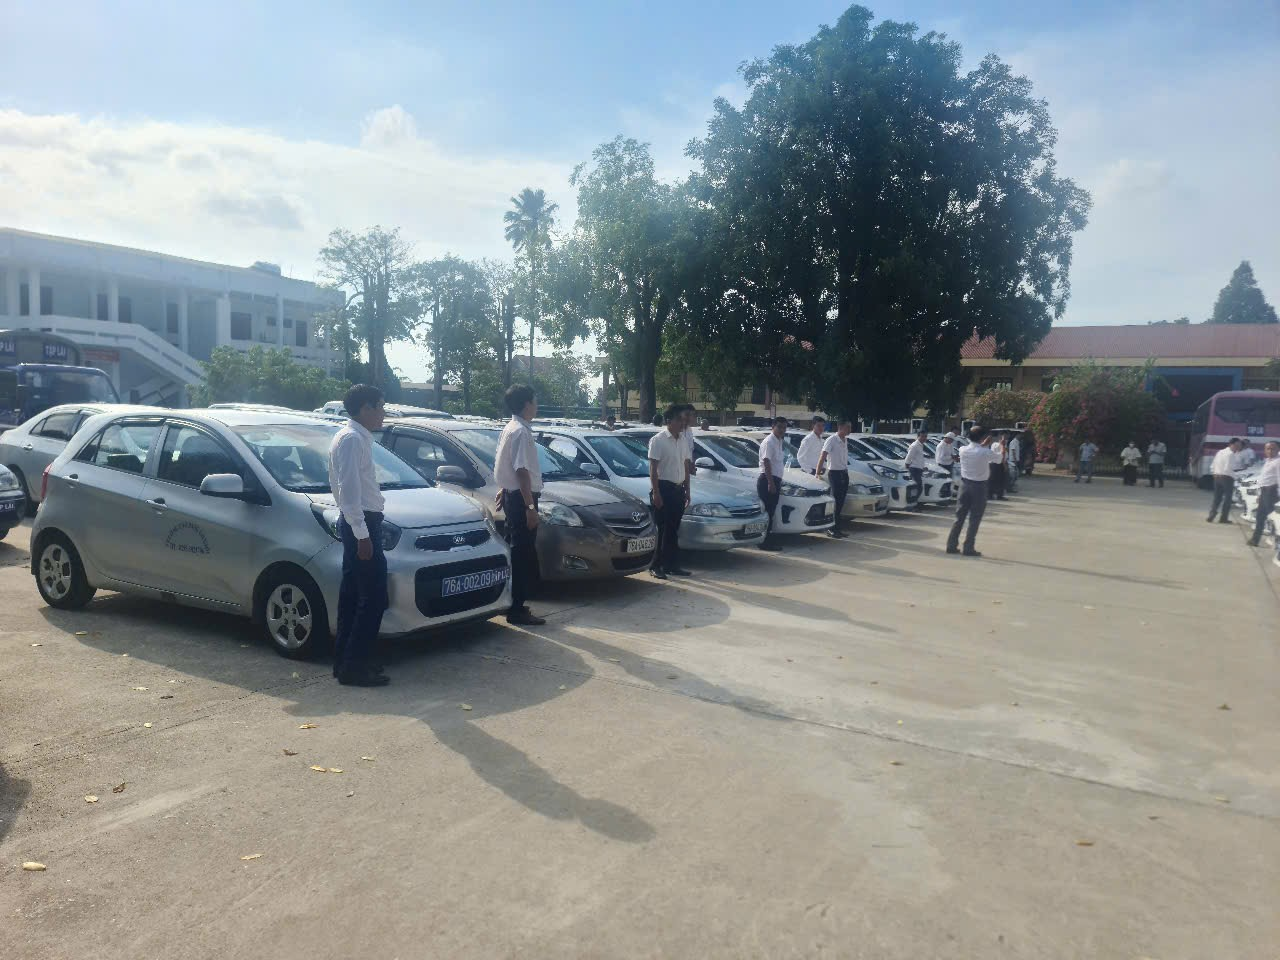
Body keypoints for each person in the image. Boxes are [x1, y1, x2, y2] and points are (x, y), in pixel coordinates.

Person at [329, 384, 391, 687]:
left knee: (353, 595)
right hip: (361, 523)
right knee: (373, 597)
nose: (383, 413)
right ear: (366, 408)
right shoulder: (352, 439)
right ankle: (354, 666)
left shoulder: (354, 437)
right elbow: (350, 492)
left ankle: (347, 661)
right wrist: (362, 534)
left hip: (361, 522)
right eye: (380, 406)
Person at [494, 385, 547, 626]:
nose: (536, 406)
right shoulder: (521, 432)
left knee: (516, 551)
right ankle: (517, 608)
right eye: (535, 401)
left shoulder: (511, 427)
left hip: (513, 495)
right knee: (522, 554)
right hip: (521, 499)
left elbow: (507, 465)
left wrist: (505, 488)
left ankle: (512, 603)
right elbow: (522, 471)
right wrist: (530, 508)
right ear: (526, 404)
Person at [647, 405, 691, 579]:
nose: (682, 423)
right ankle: (655, 565)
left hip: (678, 490)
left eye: (683, 419)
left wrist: (687, 490)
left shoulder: (683, 440)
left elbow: (685, 466)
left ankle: (671, 565)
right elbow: (653, 469)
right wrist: (656, 493)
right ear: (668, 421)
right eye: (679, 419)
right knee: (662, 529)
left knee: (674, 530)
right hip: (664, 488)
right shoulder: (658, 440)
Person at [946, 426, 1001, 557]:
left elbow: (976, 449)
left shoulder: (963, 450)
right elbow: (998, 459)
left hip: (964, 485)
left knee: (959, 517)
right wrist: (1002, 445)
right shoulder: (985, 452)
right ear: (982, 437)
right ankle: (968, 547)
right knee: (975, 518)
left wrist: (982, 444)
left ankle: (951, 545)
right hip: (979, 486)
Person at [815, 419, 853, 538]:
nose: (849, 430)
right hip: (835, 474)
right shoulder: (832, 440)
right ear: (840, 427)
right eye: (847, 427)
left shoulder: (845, 440)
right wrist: (817, 472)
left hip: (844, 473)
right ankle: (830, 528)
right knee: (835, 502)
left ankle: (837, 528)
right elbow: (823, 456)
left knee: (841, 502)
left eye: (850, 427)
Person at [757, 416, 788, 552]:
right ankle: (764, 542)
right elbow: (766, 462)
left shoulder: (779, 441)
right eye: (779, 427)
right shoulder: (769, 441)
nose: (782, 430)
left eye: (784, 427)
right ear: (773, 427)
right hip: (767, 480)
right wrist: (771, 483)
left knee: (771, 512)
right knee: (768, 513)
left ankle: (768, 540)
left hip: (775, 480)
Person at [1249, 441, 1280, 546]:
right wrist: (1259, 494)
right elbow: (1262, 479)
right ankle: (1255, 540)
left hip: (1272, 492)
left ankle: (1275, 541)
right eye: (1268, 449)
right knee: (1260, 517)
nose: (1270, 451)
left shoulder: (1278, 462)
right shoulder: (1267, 461)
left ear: (1278, 450)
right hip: (1264, 492)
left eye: (1273, 449)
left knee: (1273, 517)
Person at [1207, 438, 1245, 523]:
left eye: (1239, 445)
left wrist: (1214, 472)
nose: (1238, 447)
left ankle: (1212, 515)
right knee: (1228, 499)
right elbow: (1228, 468)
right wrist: (1236, 475)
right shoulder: (1231, 454)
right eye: (1237, 445)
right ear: (1231, 444)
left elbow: (1213, 464)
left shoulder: (1220, 452)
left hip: (1217, 476)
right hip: (1227, 477)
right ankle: (1223, 518)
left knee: (1217, 498)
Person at [904, 429, 929, 507]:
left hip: (918, 469)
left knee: (918, 488)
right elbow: (908, 457)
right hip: (914, 469)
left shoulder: (920, 445)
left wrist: (923, 467)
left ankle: (914, 503)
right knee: (917, 488)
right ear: (918, 436)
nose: (924, 438)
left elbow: (919, 458)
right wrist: (907, 467)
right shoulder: (915, 445)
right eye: (922, 436)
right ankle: (912, 505)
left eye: (925, 436)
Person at [988, 432, 1008, 501]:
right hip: (998, 464)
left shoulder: (994, 444)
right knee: (1000, 481)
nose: (1005, 439)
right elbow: (1002, 456)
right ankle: (999, 495)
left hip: (992, 464)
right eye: (1004, 437)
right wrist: (1004, 465)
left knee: (992, 480)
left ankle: (990, 495)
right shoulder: (1000, 445)